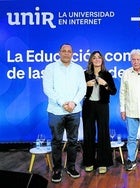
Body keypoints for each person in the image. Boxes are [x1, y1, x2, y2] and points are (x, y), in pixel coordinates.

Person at [43, 43, 87, 183]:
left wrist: (73, 102)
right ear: (59, 52)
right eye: (64, 51)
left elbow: (82, 89)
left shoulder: (78, 69)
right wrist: (63, 102)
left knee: (73, 141)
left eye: (69, 51)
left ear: (72, 53)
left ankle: (71, 167)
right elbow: (48, 89)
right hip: (56, 111)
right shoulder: (51, 68)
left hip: (74, 111)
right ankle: (57, 169)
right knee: (56, 141)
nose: (66, 53)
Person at [82, 51, 117, 174]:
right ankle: (89, 162)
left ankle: (103, 162)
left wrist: (105, 84)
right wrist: (85, 85)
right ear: (91, 60)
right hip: (88, 106)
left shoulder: (107, 74)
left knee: (103, 133)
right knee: (88, 133)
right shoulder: (85, 74)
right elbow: (78, 91)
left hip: (102, 106)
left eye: (99, 58)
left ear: (102, 60)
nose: (97, 60)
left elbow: (113, 91)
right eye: (94, 58)